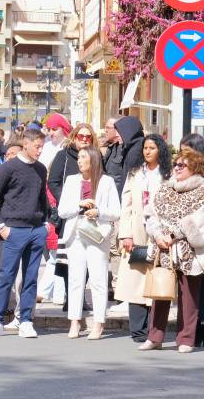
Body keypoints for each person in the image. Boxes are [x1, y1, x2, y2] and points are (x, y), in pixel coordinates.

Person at [0, 129, 50, 338]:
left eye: (42, 146)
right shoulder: (9, 168)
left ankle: (26, 320)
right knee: (6, 276)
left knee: (30, 278)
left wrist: (46, 222)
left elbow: (42, 198)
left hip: (36, 229)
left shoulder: (40, 169)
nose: (40, 151)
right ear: (26, 144)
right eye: (37, 146)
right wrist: (1, 226)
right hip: (13, 229)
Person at [141, 147, 204, 353]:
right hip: (164, 249)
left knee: (189, 297)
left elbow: (197, 219)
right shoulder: (165, 188)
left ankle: (186, 339)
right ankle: (154, 337)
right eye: (176, 164)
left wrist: (173, 234)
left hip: (189, 251)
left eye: (182, 165)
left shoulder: (202, 190)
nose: (176, 168)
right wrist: (158, 234)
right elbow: (151, 214)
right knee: (160, 292)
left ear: (194, 168)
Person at [57, 147, 121, 340]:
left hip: (96, 234)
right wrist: (80, 204)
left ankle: (99, 323)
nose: (80, 161)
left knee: (98, 279)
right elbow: (62, 211)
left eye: (84, 157)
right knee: (75, 279)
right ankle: (74, 321)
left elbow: (116, 211)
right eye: (79, 157)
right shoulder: (71, 181)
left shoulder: (106, 181)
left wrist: (98, 211)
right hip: (75, 233)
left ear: (93, 159)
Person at [116, 135, 170, 343]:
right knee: (135, 277)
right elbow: (126, 205)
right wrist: (125, 234)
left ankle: (154, 328)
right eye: (145, 148)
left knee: (156, 277)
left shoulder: (167, 175)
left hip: (160, 233)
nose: (147, 152)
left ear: (160, 151)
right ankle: (138, 329)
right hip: (137, 232)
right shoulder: (135, 174)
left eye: (152, 148)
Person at [104, 115, 145, 197]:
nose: (117, 134)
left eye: (108, 128)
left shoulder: (135, 151)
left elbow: (129, 180)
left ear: (127, 130)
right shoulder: (128, 147)